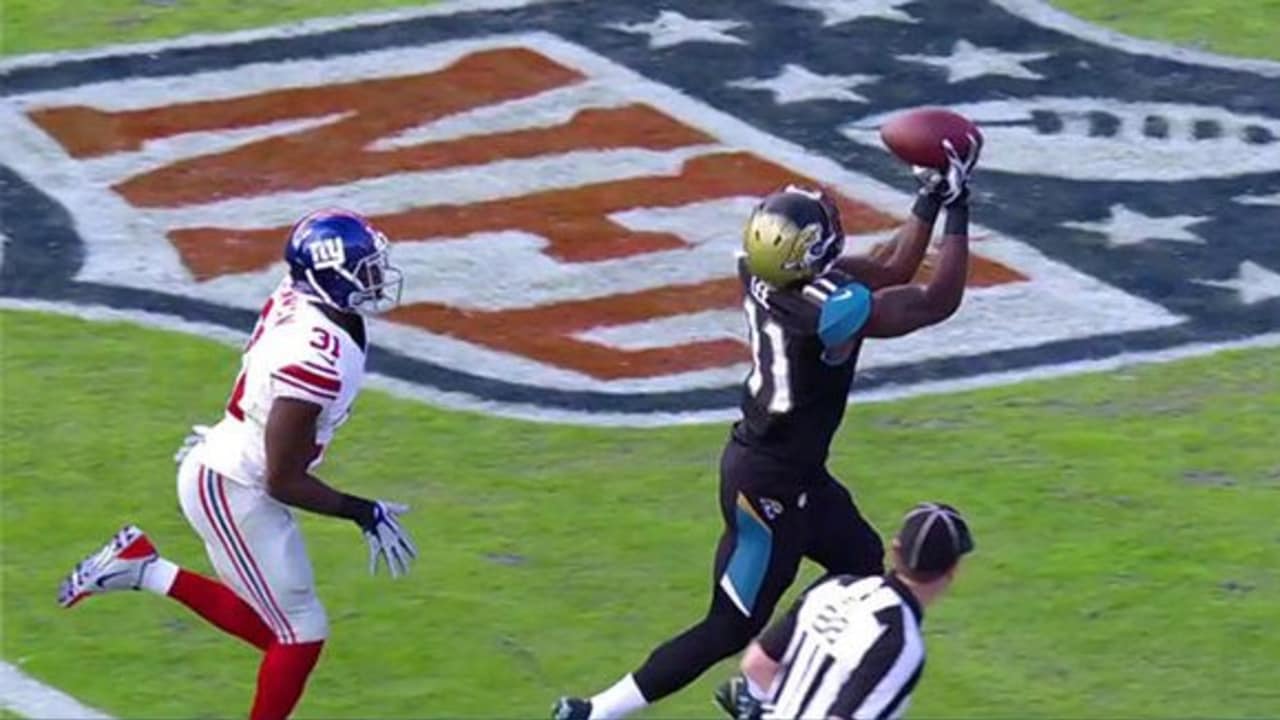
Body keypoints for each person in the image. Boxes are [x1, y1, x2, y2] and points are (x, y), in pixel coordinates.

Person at [553, 134, 981, 720]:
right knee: (728, 625)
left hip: (789, 468)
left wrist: (931, 194)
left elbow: (889, 266)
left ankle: (760, 682)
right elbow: (935, 299)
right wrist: (960, 205)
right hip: (769, 486)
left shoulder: (765, 273)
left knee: (859, 567)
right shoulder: (828, 314)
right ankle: (597, 711)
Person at [56, 209, 417, 720]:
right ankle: (143, 571)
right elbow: (283, 479)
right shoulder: (315, 358)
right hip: (235, 486)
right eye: (365, 269)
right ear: (329, 279)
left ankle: (143, 569)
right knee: (301, 633)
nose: (377, 278)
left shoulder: (309, 301)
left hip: (235, 469)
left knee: (281, 632)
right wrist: (363, 511)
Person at [715, 502, 975, 720]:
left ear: (895, 550)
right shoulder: (899, 642)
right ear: (953, 570)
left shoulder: (834, 589)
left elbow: (757, 664)